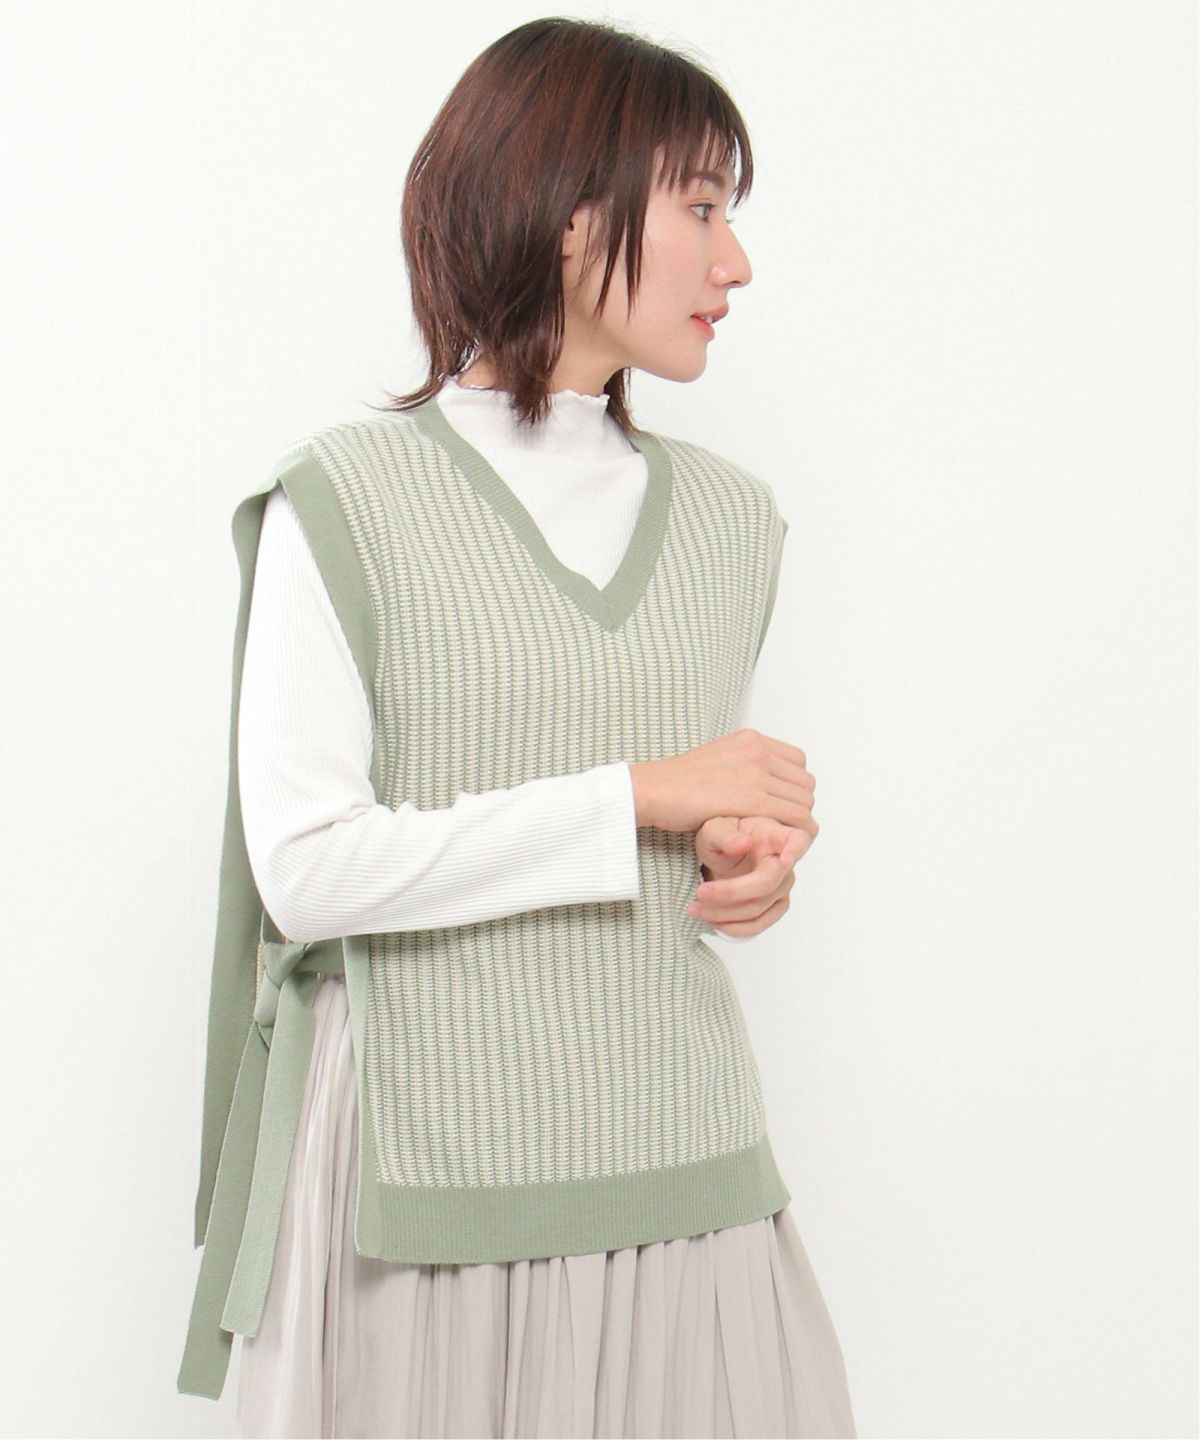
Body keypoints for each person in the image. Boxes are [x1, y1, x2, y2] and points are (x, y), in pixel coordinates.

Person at [178, 16, 857, 1438]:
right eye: (701, 207)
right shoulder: (346, 501)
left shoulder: (733, 521)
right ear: (568, 211)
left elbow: (671, 819)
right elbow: (306, 868)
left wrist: (741, 863)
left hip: (685, 1164)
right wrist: (638, 797)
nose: (736, 261)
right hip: (426, 1191)